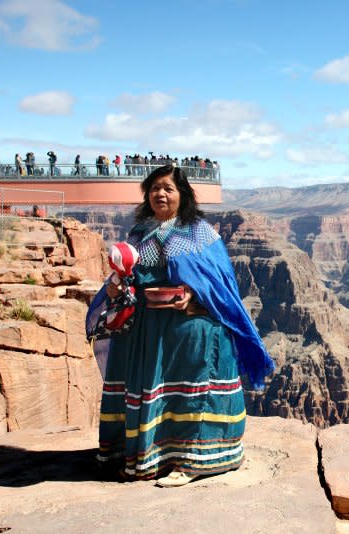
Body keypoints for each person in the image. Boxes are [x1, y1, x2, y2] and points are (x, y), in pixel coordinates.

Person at [86, 164, 274, 487]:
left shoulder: (199, 233)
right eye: (155, 188)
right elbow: (126, 278)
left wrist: (192, 296)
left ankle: (194, 460)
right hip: (146, 325)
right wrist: (119, 288)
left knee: (197, 365)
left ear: (182, 195)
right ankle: (150, 457)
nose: (161, 193)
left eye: (168, 188)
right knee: (134, 365)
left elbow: (220, 286)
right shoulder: (139, 234)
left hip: (191, 321)